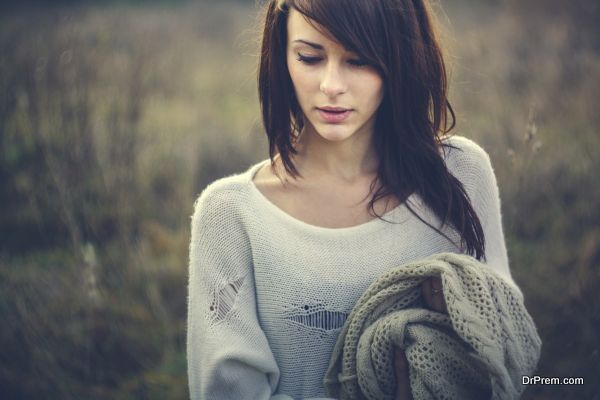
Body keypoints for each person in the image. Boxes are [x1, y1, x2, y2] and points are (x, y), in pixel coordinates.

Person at [187, 0, 521, 399]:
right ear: (282, 57)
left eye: (358, 60)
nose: (331, 85)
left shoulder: (460, 175)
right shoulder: (231, 215)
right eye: (310, 57)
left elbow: (509, 353)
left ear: (401, 58)